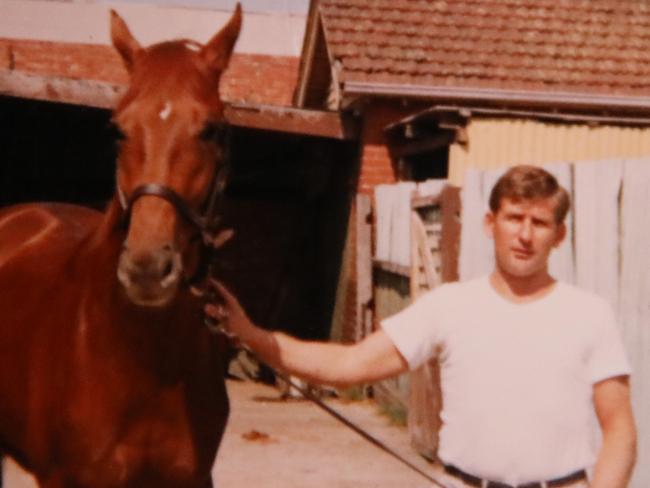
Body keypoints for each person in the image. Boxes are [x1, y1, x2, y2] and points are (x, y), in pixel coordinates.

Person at [206, 165, 636, 488]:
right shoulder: (449, 306)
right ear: (491, 224)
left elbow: (619, 429)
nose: (524, 234)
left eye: (539, 223)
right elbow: (349, 364)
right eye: (514, 217)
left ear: (558, 235)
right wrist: (249, 334)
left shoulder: (589, 314)